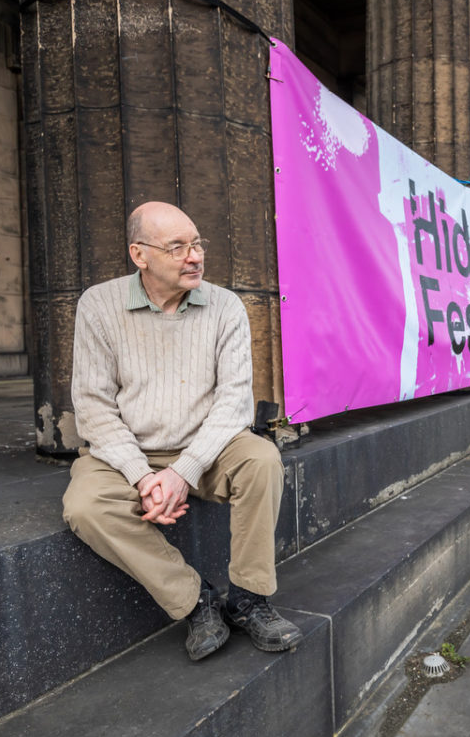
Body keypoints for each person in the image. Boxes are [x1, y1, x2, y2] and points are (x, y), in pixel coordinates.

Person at [62, 201, 301, 661]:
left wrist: (182, 472)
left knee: (262, 461)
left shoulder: (225, 306)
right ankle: (196, 600)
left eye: (196, 244)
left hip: (205, 449)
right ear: (140, 255)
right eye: (177, 247)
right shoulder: (99, 304)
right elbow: (92, 406)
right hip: (126, 451)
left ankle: (250, 599)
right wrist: (140, 474)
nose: (194, 256)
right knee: (85, 505)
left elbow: (233, 404)